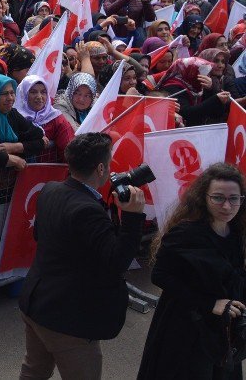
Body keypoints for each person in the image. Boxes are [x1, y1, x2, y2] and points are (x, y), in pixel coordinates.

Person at [19, 133, 146, 380]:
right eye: (109, 162)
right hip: (67, 319)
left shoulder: (51, 189)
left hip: (36, 303)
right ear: (100, 168)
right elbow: (117, 262)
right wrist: (133, 217)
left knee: (34, 370)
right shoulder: (87, 209)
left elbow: (40, 236)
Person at [138, 163, 246, 379]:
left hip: (222, 335)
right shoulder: (185, 234)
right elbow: (160, 275)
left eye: (234, 198)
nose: (227, 206)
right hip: (186, 330)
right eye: (218, 197)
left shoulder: (237, 234)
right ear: (204, 198)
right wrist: (209, 303)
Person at [0, 74, 46, 170]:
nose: (10, 98)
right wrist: (14, 160)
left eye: (12, 93)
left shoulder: (11, 113)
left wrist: (15, 147)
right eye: (4, 94)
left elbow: (38, 135)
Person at [15, 75, 75, 163]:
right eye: (33, 92)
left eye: (43, 92)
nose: (39, 96)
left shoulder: (55, 118)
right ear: (24, 94)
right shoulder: (12, 116)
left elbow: (69, 148)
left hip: (50, 173)